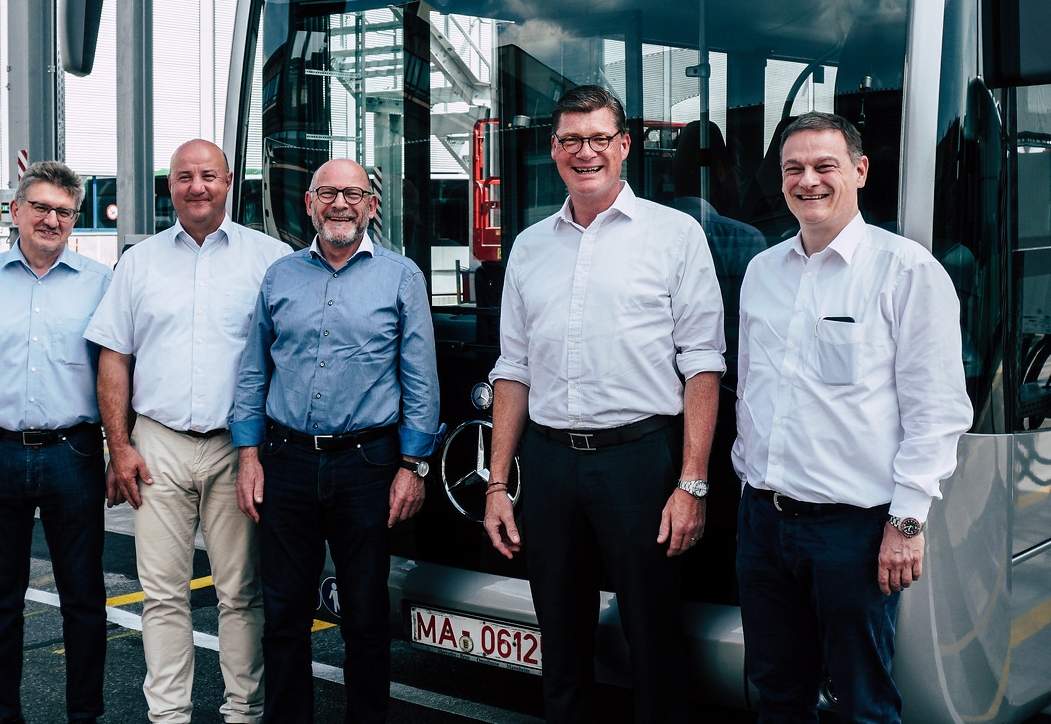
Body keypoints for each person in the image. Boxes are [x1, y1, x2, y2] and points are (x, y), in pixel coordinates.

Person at [482, 84, 725, 724]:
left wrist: (692, 484)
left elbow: (703, 363)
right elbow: (513, 368)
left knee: (655, 644)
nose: (584, 152)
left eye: (598, 139)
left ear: (623, 146)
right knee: (560, 647)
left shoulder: (676, 236)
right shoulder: (531, 246)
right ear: (554, 148)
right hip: (551, 464)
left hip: (640, 462)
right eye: (570, 140)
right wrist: (498, 484)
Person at [732, 112, 973, 724]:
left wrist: (907, 522)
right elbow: (755, 391)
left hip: (853, 533)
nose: (808, 181)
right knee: (776, 692)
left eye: (824, 166)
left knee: (863, 703)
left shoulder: (908, 273)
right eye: (794, 169)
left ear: (860, 172)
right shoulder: (761, 274)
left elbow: (937, 412)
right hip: (762, 520)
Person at [86, 139, 292, 724]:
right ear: (169, 186)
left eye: (208, 176)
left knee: (241, 593)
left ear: (230, 182)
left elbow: (288, 354)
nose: (196, 187)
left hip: (238, 449)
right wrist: (119, 447)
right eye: (183, 177)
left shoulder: (270, 259)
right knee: (163, 596)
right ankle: (169, 716)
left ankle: (244, 712)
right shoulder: (140, 262)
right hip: (157, 447)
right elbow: (114, 359)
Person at [231, 158, 440, 724]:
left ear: (372, 203)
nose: (340, 204)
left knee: (367, 618)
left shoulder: (402, 276)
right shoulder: (279, 277)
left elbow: (420, 377)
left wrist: (413, 465)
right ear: (309, 203)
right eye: (328, 194)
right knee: (284, 618)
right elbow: (254, 372)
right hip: (286, 460)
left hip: (368, 466)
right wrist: (248, 455)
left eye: (353, 193)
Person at [0, 160, 114, 724]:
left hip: (74, 453)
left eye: (63, 211)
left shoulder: (101, 282)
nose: (51, 219)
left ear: (74, 218)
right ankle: (2, 715)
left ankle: (85, 715)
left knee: (84, 600)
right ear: (15, 211)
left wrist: (119, 449)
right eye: (40, 207)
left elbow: (115, 373)